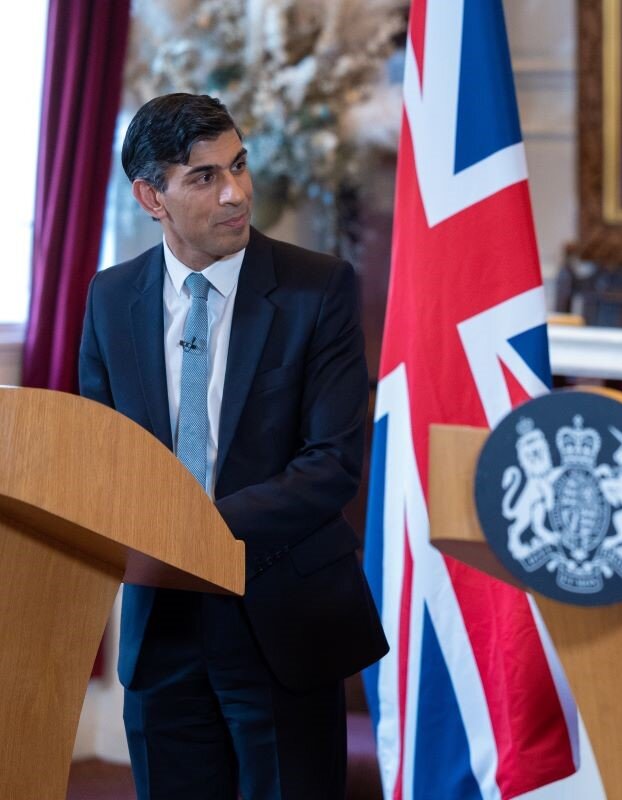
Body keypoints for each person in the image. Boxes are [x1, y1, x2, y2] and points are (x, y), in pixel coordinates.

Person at [78, 93, 388, 799]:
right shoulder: (110, 298)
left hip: (281, 622)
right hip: (161, 631)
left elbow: (333, 466)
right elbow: (101, 456)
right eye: (204, 177)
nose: (234, 193)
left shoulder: (320, 289)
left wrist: (195, 535)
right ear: (150, 196)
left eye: (239, 166)